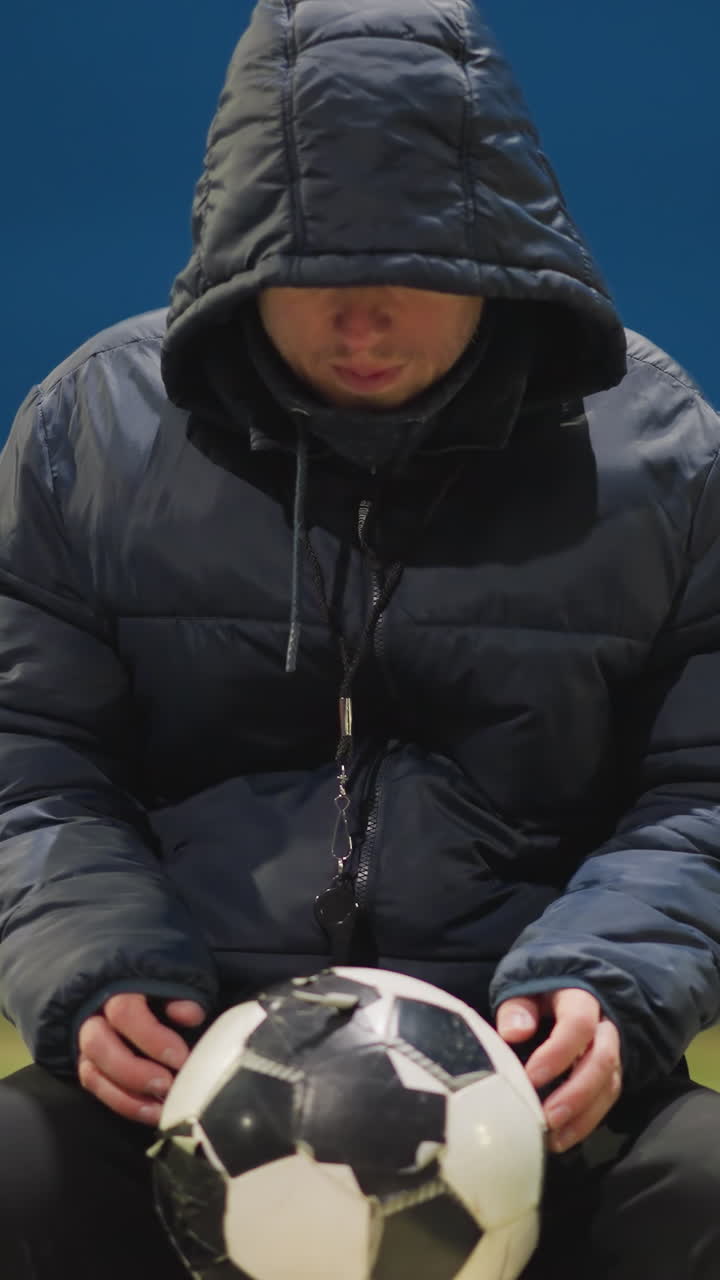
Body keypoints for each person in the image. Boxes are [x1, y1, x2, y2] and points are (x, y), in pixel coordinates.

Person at [1, 0, 719, 1276]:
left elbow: (701, 787)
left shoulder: (663, 456)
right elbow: (31, 758)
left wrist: (607, 979)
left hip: (540, 1079)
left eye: (413, 273)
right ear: (241, 256)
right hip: (187, 1073)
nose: (363, 324)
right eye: (316, 278)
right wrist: (94, 958)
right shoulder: (86, 437)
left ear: (498, 251)